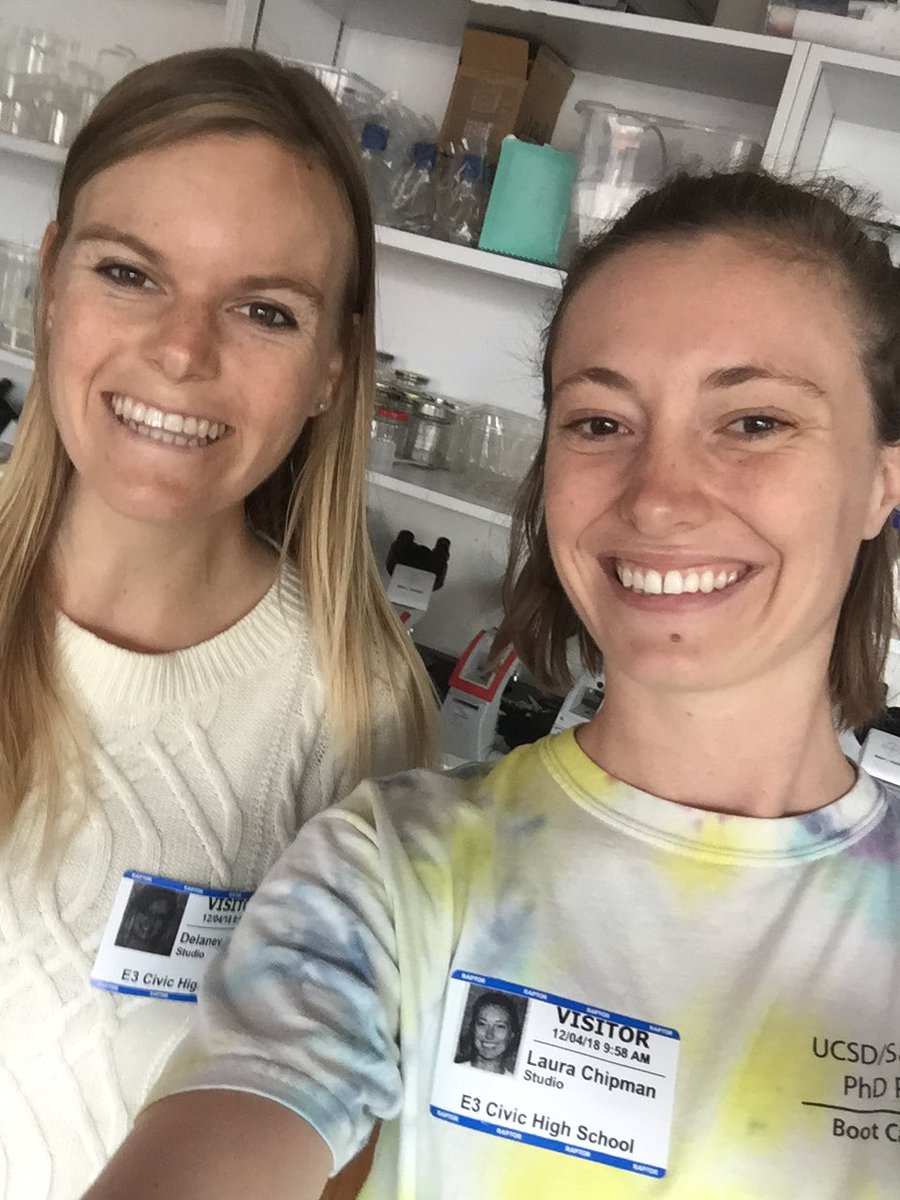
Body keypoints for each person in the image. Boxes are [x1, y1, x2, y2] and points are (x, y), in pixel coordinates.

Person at [83, 169, 900, 1198]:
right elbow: (242, 1111)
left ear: (882, 481)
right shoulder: (396, 868)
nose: (659, 499)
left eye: (753, 422)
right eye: (600, 422)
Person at [0, 47, 437, 1200]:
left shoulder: (352, 702)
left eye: (262, 310)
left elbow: (346, 1133)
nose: (184, 352)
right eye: (129, 273)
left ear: (335, 366)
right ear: (52, 282)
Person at [454, 989, 524, 1075]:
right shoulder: (454, 1071)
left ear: (511, 1034)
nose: (489, 1035)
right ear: (473, 1028)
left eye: (499, 1026)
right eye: (482, 1024)